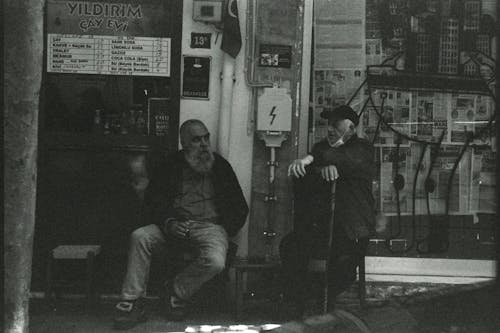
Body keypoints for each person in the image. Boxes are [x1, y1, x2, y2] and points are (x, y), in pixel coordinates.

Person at [113, 119, 249, 330]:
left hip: (210, 227)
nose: (204, 144)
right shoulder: (170, 165)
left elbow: (240, 208)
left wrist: (223, 229)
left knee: (216, 261)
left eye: (206, 138)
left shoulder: (221, 166)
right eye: (196, 140)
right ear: (184, 144)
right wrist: (169, 223)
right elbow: (153, 202)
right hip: (175, 226)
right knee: (140, 236)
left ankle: (176, 291)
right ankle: (131, 300)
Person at [282, 105, 375, 315]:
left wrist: (311, 159)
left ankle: (323, 305)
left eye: (336, 125)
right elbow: (303, 179)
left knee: (342, 265)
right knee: (290, 246)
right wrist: (318, 168)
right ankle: (300, 304)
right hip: (324, 226)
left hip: (353, 229)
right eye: (328, 125)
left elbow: (344, 159)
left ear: (351, 129)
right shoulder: (321, 148)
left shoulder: (363, 148)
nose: (330, 129)